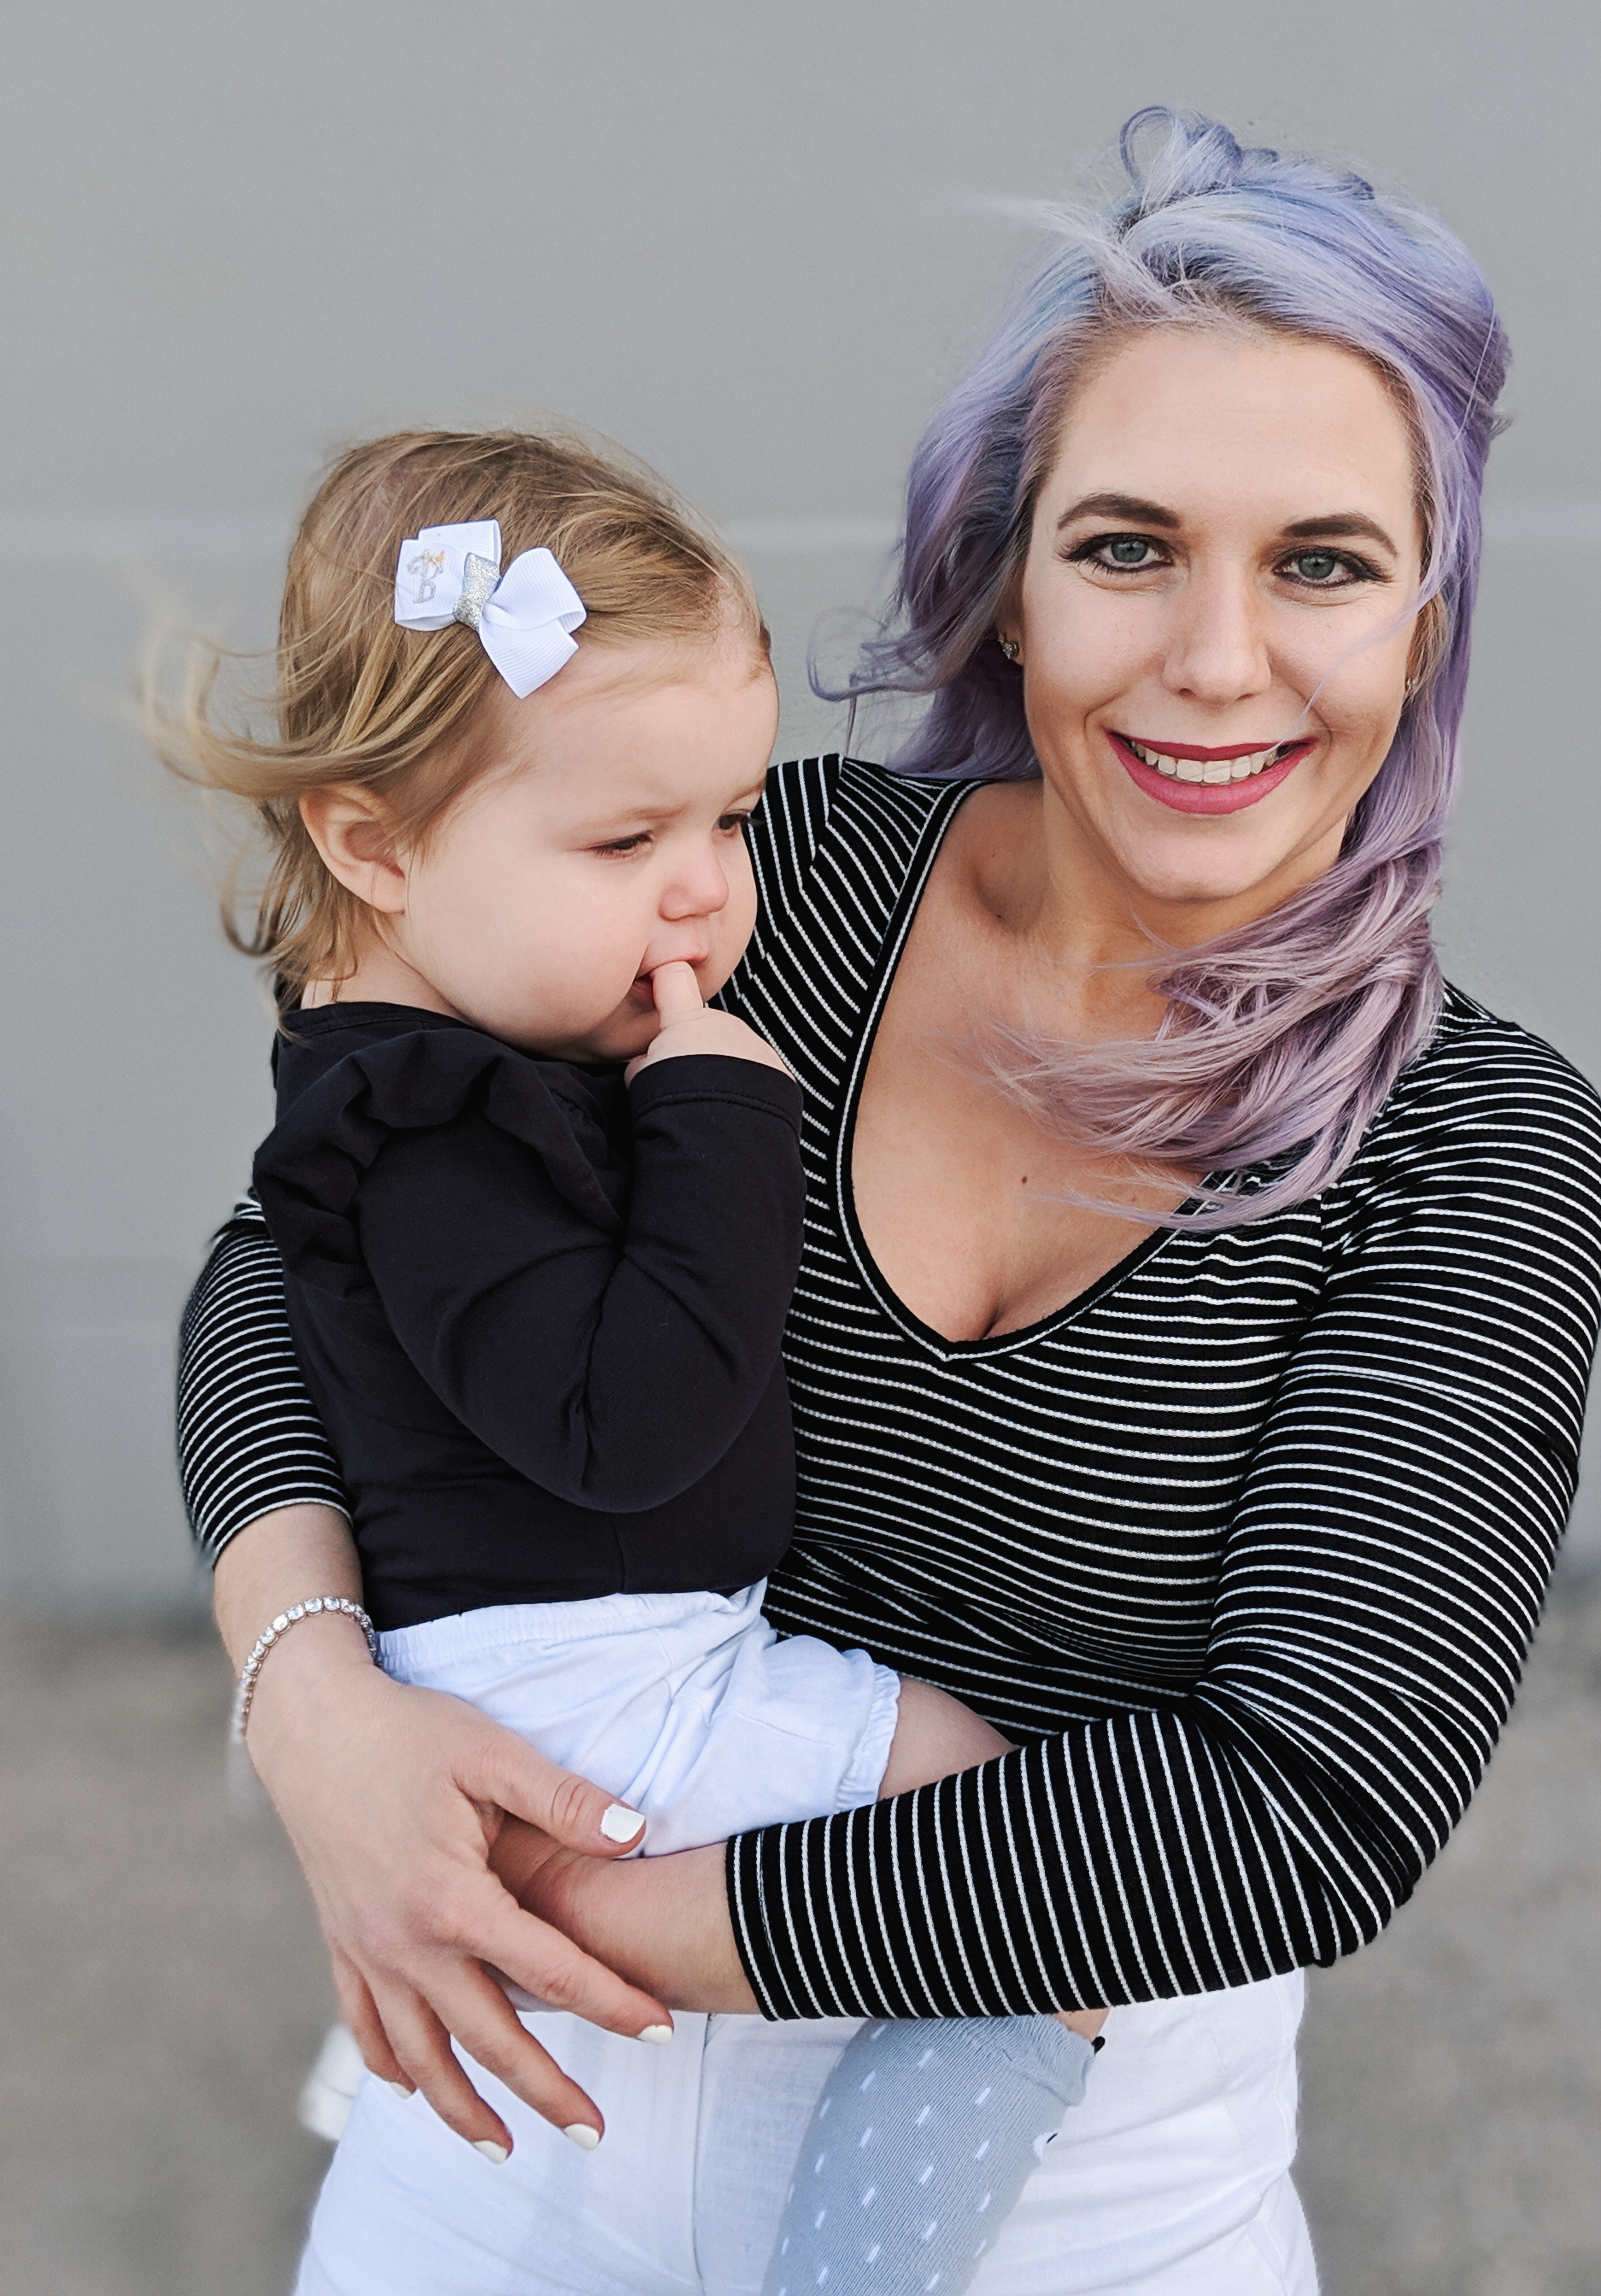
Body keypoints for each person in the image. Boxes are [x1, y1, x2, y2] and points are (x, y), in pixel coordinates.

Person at [177, 108, 1601, 2295]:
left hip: (1051, 2195)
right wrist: (313, 1712)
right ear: (1005, 578)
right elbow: (302, 1248)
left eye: (1321, 562)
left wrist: (605, 1912)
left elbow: (1308, 1794)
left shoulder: (1474, 1142)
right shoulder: (765, 891)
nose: (1218, 661)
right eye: (1129, 547)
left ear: (1426, 622)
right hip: (501, 2147)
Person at [170, 429, 1102, 2295]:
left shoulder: (452, 1056)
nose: (707, 900)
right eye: (625, 840)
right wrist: (718, 1124)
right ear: (373, 842)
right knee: (1016, 1867)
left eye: (735, 822)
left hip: (612, 1667)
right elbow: (629, 1423)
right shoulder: (424, 1123)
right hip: (589, 1704)